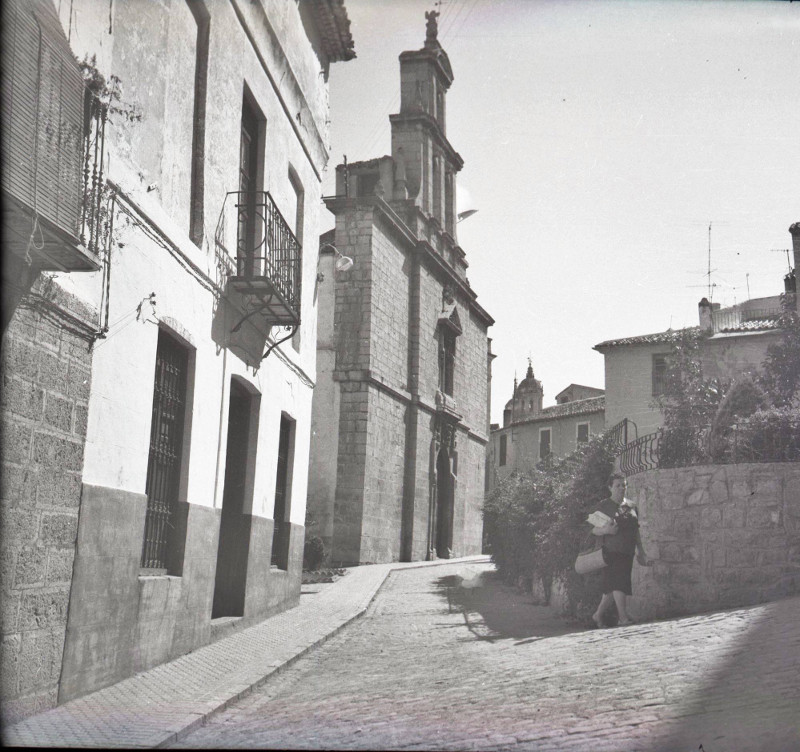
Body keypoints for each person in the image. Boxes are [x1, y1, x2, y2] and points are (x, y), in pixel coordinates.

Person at [591, 472, 649, 627]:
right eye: (618, 485)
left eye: (624, 485)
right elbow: (593, 529)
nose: (622, 488)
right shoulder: (603, 506)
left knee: (613, 587)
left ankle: (598, 615)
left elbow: (635, 531)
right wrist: (605, 531)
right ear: (610, 487)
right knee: (619, 584)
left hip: (627, 552)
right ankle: (623, 618)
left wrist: (641, 551)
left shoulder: (631, 506)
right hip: (611, 551)